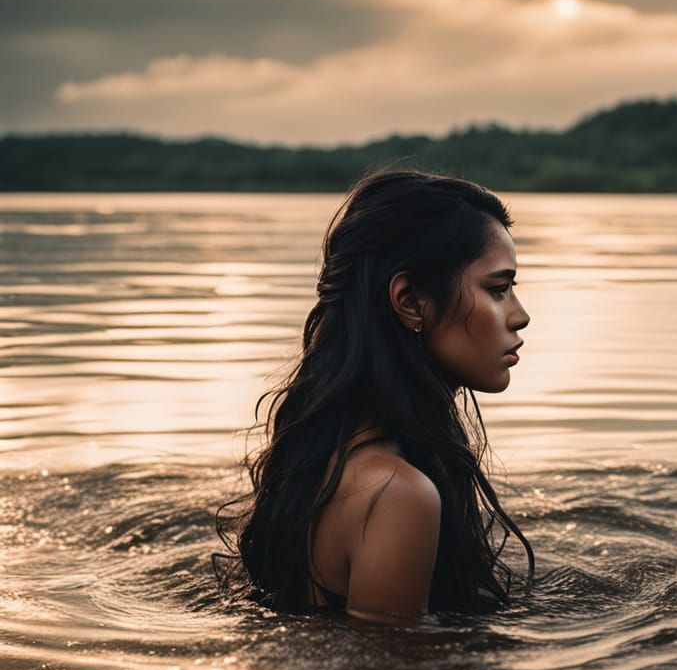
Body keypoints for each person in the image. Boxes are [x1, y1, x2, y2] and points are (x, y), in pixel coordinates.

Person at [214, 169, 534, 622]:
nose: (520, 317)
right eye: (498, 290)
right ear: (408, 300)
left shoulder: (328, 454)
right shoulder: (397, 495)